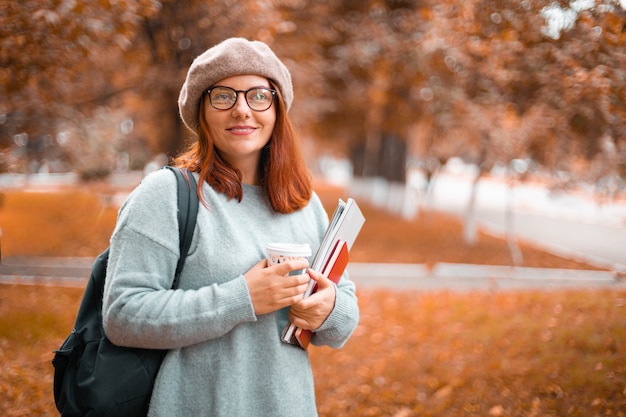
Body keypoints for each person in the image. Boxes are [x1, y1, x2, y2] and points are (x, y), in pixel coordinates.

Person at [102, 37, 360, 417]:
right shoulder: (166, 195)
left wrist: (329, 310)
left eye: (258, 96)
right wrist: (242, 299)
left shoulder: (305, 205)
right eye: (224, 96)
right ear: (202, 112)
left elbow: (345, 308)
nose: (242, 110)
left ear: (276, 110)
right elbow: (123, 315)